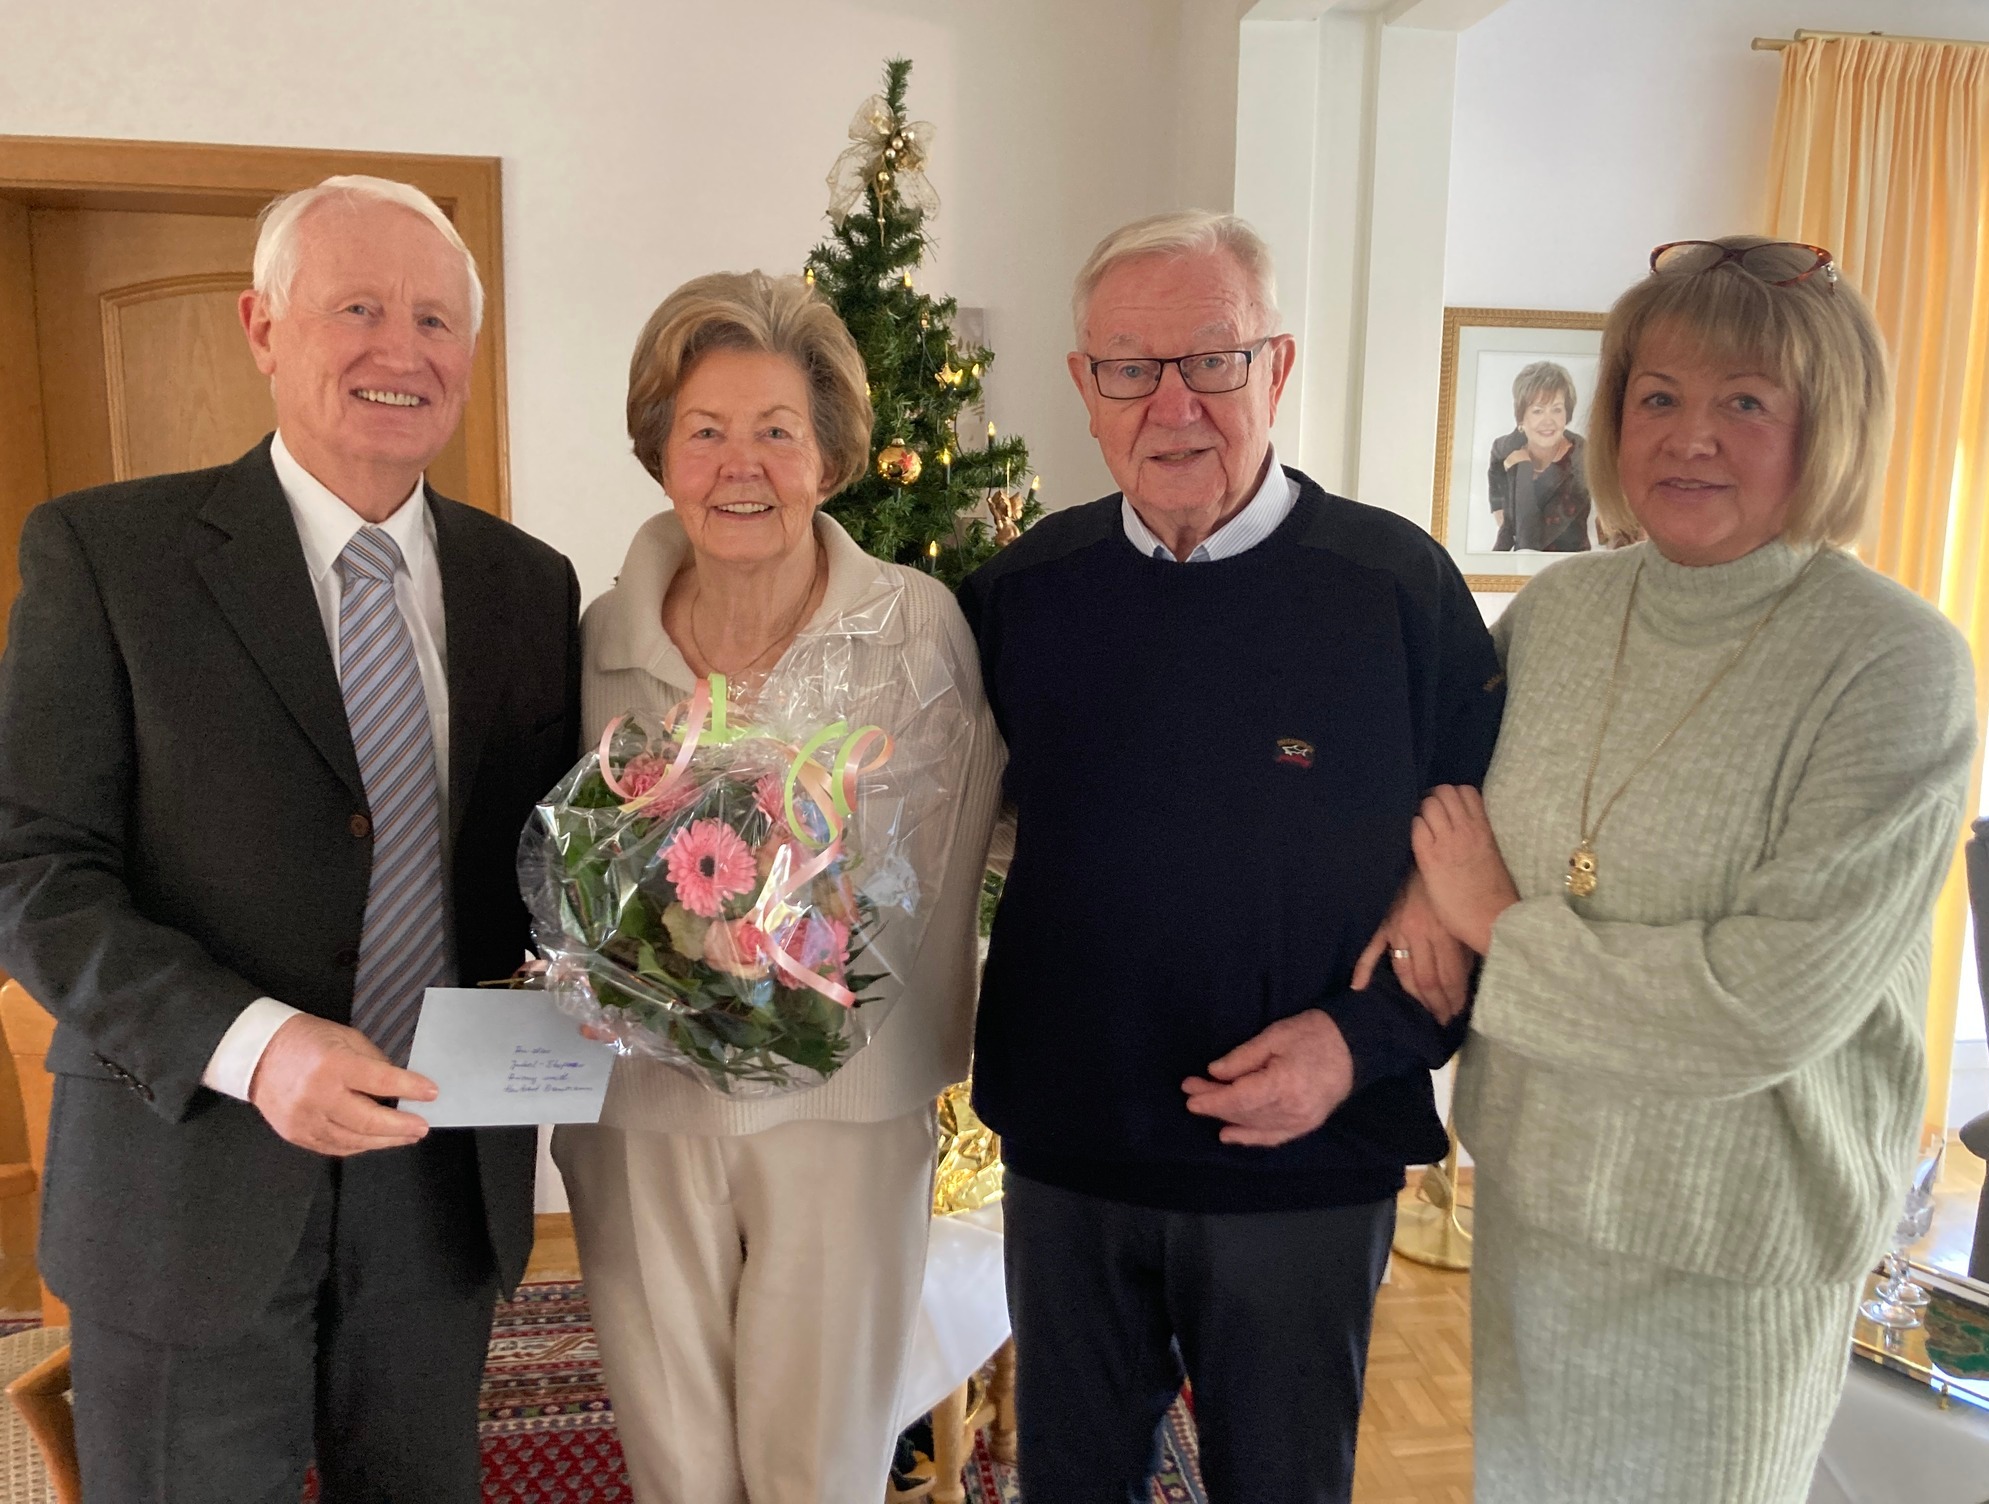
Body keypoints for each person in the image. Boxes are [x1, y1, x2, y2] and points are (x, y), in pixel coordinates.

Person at [0, 175, 582, 1499]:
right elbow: (32, 870)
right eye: (357, 308)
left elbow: (548, 868)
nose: (401, 349)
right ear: (262, 327)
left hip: (438, 1184)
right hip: (185, 1181)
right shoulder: (107, 557)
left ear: (471, 357)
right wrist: (254, 1047)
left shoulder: (527, 587)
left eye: (435, 319)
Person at [1406, 236, 1975, 1504]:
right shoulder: (1557, 614)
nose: (1689, 436)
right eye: (1658, 397)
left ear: (1824, 427)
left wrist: (1503, 928)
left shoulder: (1895, 665)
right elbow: (1441, 819)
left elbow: (1762, 1005)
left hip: (1735, 1247)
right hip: (1542, 1205)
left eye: (1745, 402)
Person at [955, 211, 1503, 1504]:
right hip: (1072, 1153)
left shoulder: (1396, 591)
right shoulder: (1024, 594)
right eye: (1129, 368)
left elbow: (1485, 866)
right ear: (1085, 389)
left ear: (1279, 366)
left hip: (1305, 1160)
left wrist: (1354, 1048)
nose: (1174, 405)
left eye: (1213, 360)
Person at [549, 270, 1002, 1504]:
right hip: (639, 1111)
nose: (738, 465)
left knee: (819, 1465)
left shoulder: (917, 627)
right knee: (678, 1462)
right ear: (661, 451)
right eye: (705, 430)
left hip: (846, 1112)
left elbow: (931, 862)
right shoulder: (594, 637)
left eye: (776, 432)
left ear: (831, 455)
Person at [1488, 360, 1590, 552]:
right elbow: (1505, 519)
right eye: (1537, 411)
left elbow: (1530, 542)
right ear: (1521, 417)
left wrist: (1523, 468)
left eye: (1557, 409)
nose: (1548, 421)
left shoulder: (1581, 461)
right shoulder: (1503, 449)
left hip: (1568, 566)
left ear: (1567, 414)